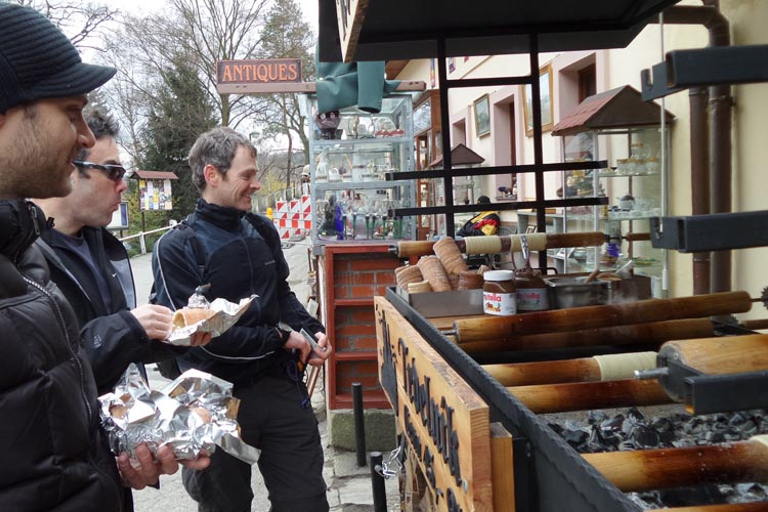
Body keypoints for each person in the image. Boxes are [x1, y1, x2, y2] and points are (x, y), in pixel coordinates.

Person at [0, 4, 208, 510]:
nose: (84, 136)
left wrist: (111, 456)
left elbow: (40, 426)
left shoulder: (20, 256)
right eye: (70, 113)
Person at [152, 126, 332, 512]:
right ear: (212, 175)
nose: (256, 183)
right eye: (246, 175)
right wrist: (280, 340)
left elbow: (280, 295)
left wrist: (310, 329)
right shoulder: (176, 246)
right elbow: (200, 337)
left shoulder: (262, 229)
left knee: (307, 501)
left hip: (279, 387)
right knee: (225, 506)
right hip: (214, 401)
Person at [33, 108, 211, 395]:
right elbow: (45, 374)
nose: (123, 185)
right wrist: (128, 326)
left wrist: (172, 337)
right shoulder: (21, 257)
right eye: (113, 172)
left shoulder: (103, 245)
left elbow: (116, 348)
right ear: (68, 167)